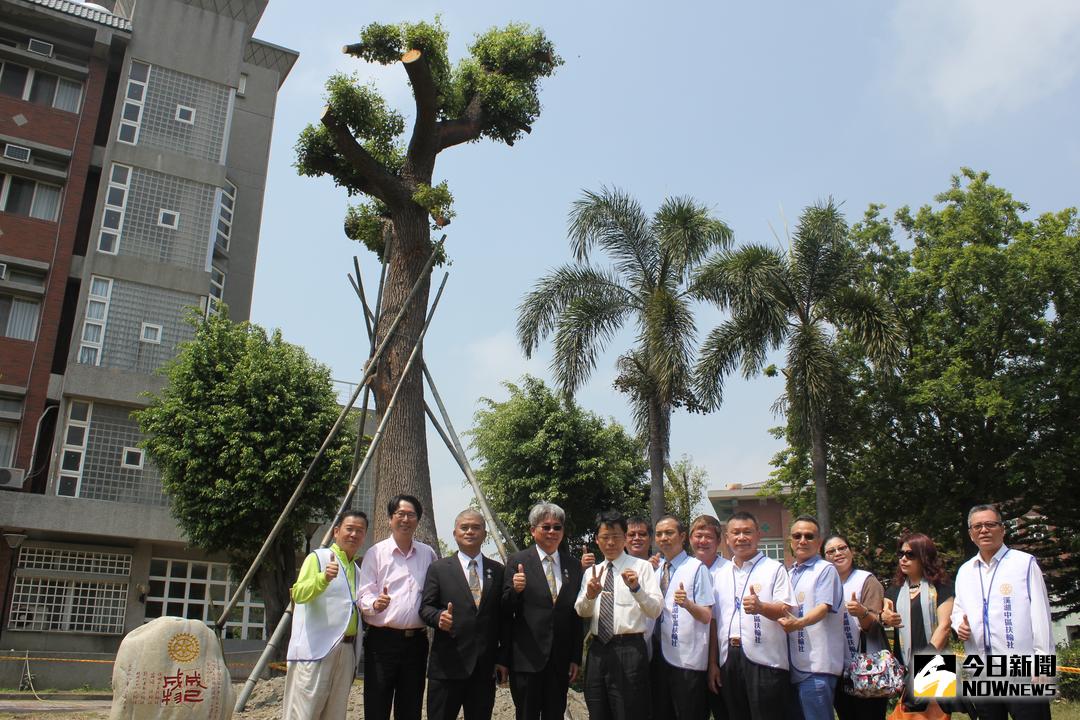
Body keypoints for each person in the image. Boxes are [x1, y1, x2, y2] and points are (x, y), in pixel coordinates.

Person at [952, 504, 1053, 720]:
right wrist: (959, 624)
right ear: (970, 534)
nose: (984, 530)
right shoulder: (965, 571)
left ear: (1003, 529)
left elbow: (1041, 616)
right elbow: (958, 610)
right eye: (977, 526)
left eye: (990, 524)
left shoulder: (1023, 563)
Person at [574, 510, 663, 720]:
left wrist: (637, 589)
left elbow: (655, 610)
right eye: (605, 537)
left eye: (616, 537)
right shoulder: (592, 572)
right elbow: (581, 611)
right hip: (597, 650)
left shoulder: (642, 568)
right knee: (598, 710)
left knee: (630, 712)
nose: (611, 542)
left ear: (625, 538)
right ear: (597, 540)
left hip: (629, 649)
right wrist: (590, 595)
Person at [420, 509, 507, 720]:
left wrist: (502, 659)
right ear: (455, 533)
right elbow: (425, 608)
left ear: (485, 534)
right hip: (447, 665)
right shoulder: (439, 569)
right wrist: (439, 617)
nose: (470, 532)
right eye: (464, 527)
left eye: (476, 527)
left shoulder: (498, 570)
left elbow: (503, 618)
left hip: (483, 668)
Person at [358, 494, 438, 720]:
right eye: (400, 514)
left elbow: (434, 594)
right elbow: (364, 593)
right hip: (381, 643)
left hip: (416, 643)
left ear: (418, 520)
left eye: (411, 515)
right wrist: (375, 603)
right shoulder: (376, 553)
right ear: (390, 519)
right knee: (376, 705)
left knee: (410, 706)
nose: (405, 519)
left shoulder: (427, 554)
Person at [502, 502, 585, 720]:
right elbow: (505, 610)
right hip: (527, 660)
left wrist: (575, 656)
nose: (552, 532)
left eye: (557, 527)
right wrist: (516, 591)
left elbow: (576, 615)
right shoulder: (518, 561)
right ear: (533, 530)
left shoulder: (573, 566)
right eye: (545, 527)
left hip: (560, 661)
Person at [282, 511, 367, 720]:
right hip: (316, 650)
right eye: (349, 529)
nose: (354, 534)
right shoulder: (317, 557)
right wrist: (323, 578)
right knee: (305, 712)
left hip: (347, 651)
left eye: (360, 531)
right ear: (337, 531)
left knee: (335, 713)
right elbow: (298, 594)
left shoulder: (357, 570)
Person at [715, 511, 794, 720]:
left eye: (747, 532)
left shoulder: (774, 569)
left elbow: (786, 609)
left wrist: (761, 607)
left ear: (758, 535)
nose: (741, 538)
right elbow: (714, 620)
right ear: (727, 538)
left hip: (765, 660)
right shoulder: (720, 573)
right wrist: (713, 664)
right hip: (729, 657)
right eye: (736, 533)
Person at [880, 532, 954, 717]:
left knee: (935, 716)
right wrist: (885, 616)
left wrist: (922, 665)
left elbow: (944, 626)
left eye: (910, 554)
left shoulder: (940, 586)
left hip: (936, 662)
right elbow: (884, 611)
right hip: (905, 664)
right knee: (910, 714)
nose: (903, 559)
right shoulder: (895, 589)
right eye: (901, 554)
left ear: (924, 557)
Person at [780, 516, 844, 720]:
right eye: (797, 536)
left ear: (818, 542)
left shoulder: (825, 570)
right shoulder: (789, 574)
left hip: (817, 667)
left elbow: (823, 607)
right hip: (793, 667)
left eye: (809, 536)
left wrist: (798, 623)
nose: (802, 540)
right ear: (790, 541)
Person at [652, 515, 715, 720]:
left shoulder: (697, 568)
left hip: (687, 661)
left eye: (669, 533)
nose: (663, 538)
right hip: (659, 656)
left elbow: (707, 616)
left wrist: (688, 604)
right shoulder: (656, 569)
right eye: (659, 534)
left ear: (682, 537)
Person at [824, 535, 887, 720]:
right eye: (831, 551)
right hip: (838, 667)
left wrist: (862, 612)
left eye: (842, 548)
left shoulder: (866, 580)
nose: (837, 553)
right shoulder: (825, 584)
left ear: (851, 551)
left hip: (869, 668)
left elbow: (876, 623)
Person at [691, 514, 730, 720]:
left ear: (718, 541)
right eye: (698, 536)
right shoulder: (682, 570)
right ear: (689, 539)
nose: (703, 541)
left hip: (722, 658)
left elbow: (715, 619)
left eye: (708, 537)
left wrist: (713, 661)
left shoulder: (729, 571)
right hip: (689, 659)